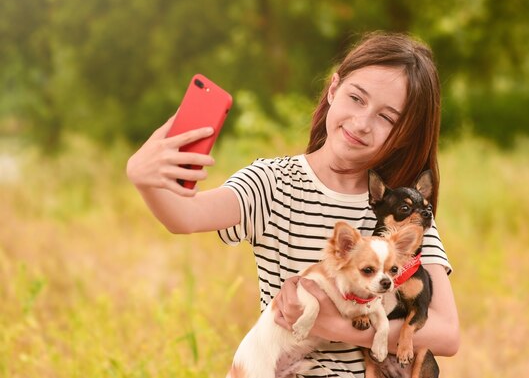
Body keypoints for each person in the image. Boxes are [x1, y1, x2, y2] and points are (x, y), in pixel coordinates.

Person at [127, 31, 460, 377]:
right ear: (333, 89)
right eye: (357, 98)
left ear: (403, 134)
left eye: (386, 118)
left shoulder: (402, 214)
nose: (362, 124)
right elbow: (185, 216)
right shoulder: (272, 182)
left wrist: (334, 326)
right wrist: (144, 179)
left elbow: (448, 334)